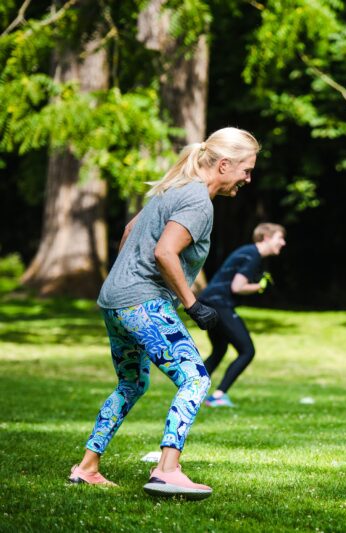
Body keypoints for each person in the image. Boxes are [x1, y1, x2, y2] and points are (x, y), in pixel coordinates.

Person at [67, 127, 260, 500]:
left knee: (131, 384)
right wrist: (192, 303)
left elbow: (129, 231)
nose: (248, 179)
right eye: (246, 170)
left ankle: (87, 467)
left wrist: (125, 279)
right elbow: (165, 252)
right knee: (196, 378)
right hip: (143, 302)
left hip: (116, 301)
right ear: (223, 165)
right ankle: (167, 469)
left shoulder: (173, 188)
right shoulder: (198, 201)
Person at [198, 223, 286, 407]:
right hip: (218, 303)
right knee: (247, 350)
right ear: (267, 238)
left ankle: (192, 390)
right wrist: (259, 287)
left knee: (219, 349)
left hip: (210, 301)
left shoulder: (249, 252)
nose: (283, 242)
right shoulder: (253, 255)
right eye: (280, 238)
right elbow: (237, 287)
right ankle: (218, 396)